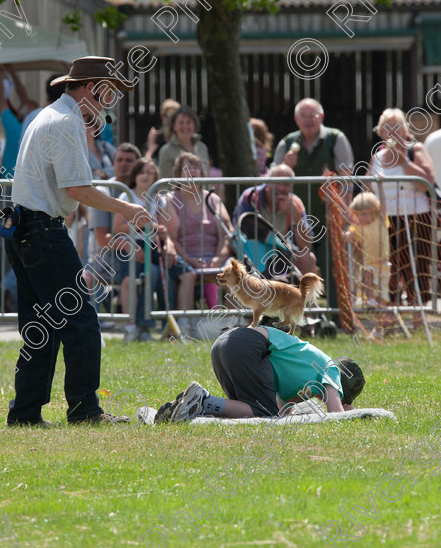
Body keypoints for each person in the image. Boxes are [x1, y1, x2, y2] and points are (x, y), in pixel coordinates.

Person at [6, 56, 150, 426]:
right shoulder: (67, 123)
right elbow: (77, 189)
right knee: (81, 320)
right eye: (108, 91)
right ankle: (85, 410)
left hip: (23, 229)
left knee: (41, 326)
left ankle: (25, 413)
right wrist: (128, 208)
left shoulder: (46, 115)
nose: (110, 99)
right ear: (89, 88)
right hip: (41, 230)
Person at [155, 326, 365, 422]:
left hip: (225, 344)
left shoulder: (306, 373)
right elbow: (337, 415)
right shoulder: (331, 369)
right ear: (340, 385)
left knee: (250, 409)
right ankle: (203, 402)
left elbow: (282, 411)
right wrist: (350, 411)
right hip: (247, 345)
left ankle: (189, 408)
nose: (321, 398)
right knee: (265, 413)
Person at [272, 98, 355, 326]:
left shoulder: (335, 139)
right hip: (294, 220)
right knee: (294, 269)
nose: (309, 120)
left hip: (329, 218)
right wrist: (287, 164)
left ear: (322, 117)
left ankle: (341, 320)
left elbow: (347, 178)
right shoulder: (287, 143)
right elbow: (273, 178)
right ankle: (303, 320)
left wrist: (343, 212)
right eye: (304, 116)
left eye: (313, 115)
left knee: (335, 269)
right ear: (296, 119)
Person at [369, 109, 436, 329]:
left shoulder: (415, 150)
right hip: (387, 219)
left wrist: (403, 162)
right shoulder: (377, 156)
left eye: (396, 126)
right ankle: (390, 316)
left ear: (405, 129)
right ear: (380, 131)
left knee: (417, 264)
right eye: (387, 127)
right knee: (389, 266)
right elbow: (368, 185)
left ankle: (419, 314)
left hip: (416, 216)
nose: (392, 131)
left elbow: (427, 181)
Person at [112, 158, 182, 342]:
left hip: (154, 246)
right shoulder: (126, 197)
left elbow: (164, 228)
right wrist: (140, 225)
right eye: (141, 172)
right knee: (136, 278)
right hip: (131, 246)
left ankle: (171, 327)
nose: (145, 176)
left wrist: (165, 238)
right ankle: (135, 328)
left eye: (149, 172)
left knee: (165, 273)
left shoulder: (159, 199)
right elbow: (118, 228)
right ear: (135, 175)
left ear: (155, 177)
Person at [165, 152, 233, 335]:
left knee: (235, 272)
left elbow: (228, 233)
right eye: (187, 167)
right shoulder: (171, 200)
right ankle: (186, 326)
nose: (192, 171)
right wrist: (190, 260)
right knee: (188, 273)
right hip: (184, 257)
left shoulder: (213, 199)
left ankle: (232, 323)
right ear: (178, 174)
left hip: (215, 257)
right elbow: (171, 237)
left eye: (196, 167)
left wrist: (220, 256)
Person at [84, 143, 143, 323]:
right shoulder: (103, 191)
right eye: (120, 160)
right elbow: (102, 238)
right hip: (105, 261)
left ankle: (163, 325)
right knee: (82, 279)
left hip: (139, 258)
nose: (124, 164)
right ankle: (89, 326)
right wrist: (128, 245)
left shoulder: (144, 190)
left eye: (129, 161)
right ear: (114, 162)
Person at [233, 164, 318, 275]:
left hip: (282, 253)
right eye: (278, 182)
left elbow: (306, 246)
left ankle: (306, 292)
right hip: (252, 251)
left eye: (286, 184)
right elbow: (238, 233)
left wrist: (297, 218)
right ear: (268, 181)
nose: (282, 188)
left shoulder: (295, 203)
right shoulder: (250, 197)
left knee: (308, 259)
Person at [345, 191, 392, 339]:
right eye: (359, 215)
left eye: (364, 214)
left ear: (374, 211)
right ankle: (369, 297)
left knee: (382, 300)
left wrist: (381, 186)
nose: (361, 218)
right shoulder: (359, 228)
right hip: (369, 263)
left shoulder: (381, 221)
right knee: (367, 275)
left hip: (384, 266)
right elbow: (348, 236)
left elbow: (383, 204)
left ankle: (379, 329)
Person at [0, 65, 39, 180]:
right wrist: (11, 72)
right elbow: (25, 99)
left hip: (9, 181)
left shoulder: (14, 128)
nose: (18, 109)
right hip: (28, 181)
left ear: (22, 114)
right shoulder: (35, 130)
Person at [157, 106, 210, 179]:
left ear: (194, 125)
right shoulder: (166, 151)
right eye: (181, 122)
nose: (185, 127)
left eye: (188, 122)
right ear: (174, 127)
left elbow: (205, 178)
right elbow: (164, 184)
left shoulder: (202, 147)